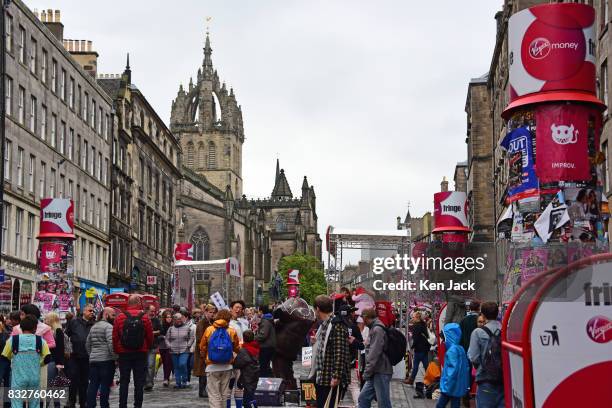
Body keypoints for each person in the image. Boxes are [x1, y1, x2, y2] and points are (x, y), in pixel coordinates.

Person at [112, 295, 154, 408]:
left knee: (124, 381)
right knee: (139, 382)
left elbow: (115, 337)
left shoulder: (120, 317)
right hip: (140, 353)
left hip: (124, 353)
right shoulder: (145, 317)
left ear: (128, 303)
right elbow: (150, 336)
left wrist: (117, 351)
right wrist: (148, 348)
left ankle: (122, 405)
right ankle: (137, 405)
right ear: (138, 303)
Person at [2, 314, 51, 408]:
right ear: (35, 328)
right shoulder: (40, 341)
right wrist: (39, 363)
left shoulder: (13, 340)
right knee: (34, 404)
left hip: (18, 379)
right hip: (34, 379)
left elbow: (4, 357)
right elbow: (48, 357)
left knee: (16, 403)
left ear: (21, 327)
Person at [310, 295, 350, 408]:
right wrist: (315, 342)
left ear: (317, 309)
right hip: (322, 377)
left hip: (330, 378)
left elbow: (340, 353)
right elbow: (325, 347)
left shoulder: (336, 325)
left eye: (314, 310)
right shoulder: (324, 325)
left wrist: (336, 376)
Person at [200, 309, 240, 408]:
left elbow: (202, 346)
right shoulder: (231, 331)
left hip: (212, 366)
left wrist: (205, 358)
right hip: (227, 366)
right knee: (224, 394)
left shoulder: (209, 329)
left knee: (214, 394)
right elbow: (237, 348)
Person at [468, 302, 504, 408]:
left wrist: (482, 366)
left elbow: (473, 357)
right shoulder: (505, 330)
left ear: (482, 315)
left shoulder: (477, 332)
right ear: (497, 313)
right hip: (503, 379)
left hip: (485, 379)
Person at [357, 308, 392, 408]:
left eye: (362, 318)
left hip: (381, 371)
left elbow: (374, 353)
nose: (362, 321)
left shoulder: (377, 329)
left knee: (383, 403)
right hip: (376, 371)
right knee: (363, 398)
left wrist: (366, 372)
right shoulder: (375, 328)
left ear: (366, 318)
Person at [85, 307, 117, 408]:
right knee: (105, 385)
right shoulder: (109, 327)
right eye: (113, 315)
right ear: (106, 315)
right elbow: (111, 344)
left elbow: (87, 344)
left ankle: (90, 405)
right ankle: (104, 405)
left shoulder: (94, 326)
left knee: (93, 385)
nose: (114, 317)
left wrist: (92, 355)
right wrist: (115, 357)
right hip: (106, 361)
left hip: (94, 361)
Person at [65, 304, 95, 408]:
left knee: (84, 381)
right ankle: (71, 402)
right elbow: (66, 336)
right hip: (74, 356)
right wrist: (67, 350)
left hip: (87, 357)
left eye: (93, 311)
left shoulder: (93, 324)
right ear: (84, 311)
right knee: (73, 379)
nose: (92, 312)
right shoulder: (74, 322)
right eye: (90, 311)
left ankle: (83, 402)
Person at [436, 323, 470, 408]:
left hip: (450, 386)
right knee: (455, 405)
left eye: (444, 338)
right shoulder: (460, 348)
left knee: (440, 405)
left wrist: (446, 386)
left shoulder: (452, 351)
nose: (443, 341)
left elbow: (452, 371)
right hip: (458, 387)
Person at [459, 301, 480, 407]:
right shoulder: (480, 320)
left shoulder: (463, 320)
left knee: (467, 372)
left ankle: (466, 392)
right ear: (478, 308)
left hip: (465, 349)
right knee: (478, 371)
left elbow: (460, 336)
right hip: (477, 350)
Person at [166, 312, 194, 389]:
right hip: (173, 350)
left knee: (182, 364)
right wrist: (169, 345)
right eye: (177, 319)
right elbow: (167, 339)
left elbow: (192, 337)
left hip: (184, 349)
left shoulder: (187, 327)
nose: (179, 320)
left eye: (180, 319)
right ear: (174, 320)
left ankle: (184, 380)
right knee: (176, 366)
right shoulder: (171, 329)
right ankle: (178, 383)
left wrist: (189, 344)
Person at [233, 330, 260, 408]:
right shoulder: (257, 347)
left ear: (244, 339)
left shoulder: (244, 350)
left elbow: (237, 364)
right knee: (251, 393)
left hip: (247, 375)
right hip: (255, 373)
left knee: (248, 397)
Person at [43, 313, 65, 408]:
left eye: (46, 318)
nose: (44, 320)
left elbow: (60, 348)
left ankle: (50, 405)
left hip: (54, 361)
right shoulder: (47, 330)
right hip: (48, 360)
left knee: (51, 386)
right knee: (52, 386)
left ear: (51, 319)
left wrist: (60, 364)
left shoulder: (58, 331)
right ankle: (55, 405)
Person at [194, 304, 216, 397]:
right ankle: (202, 390)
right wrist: (203, 349)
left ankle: (204, 390)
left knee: (207, 371)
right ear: (206, 312)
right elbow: (199, 337)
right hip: (202, 349)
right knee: (203, 371)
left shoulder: (212, 322)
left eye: (213, 312)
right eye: (210, 312)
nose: (212, 314)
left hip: (209, 349)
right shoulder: (202, 323)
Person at [405, 312, 430, 386]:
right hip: (425, 348)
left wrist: (412, 347)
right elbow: (426, 335)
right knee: (426, 366)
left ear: (417, 318)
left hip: (419, 348)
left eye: (414, 317)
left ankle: (411, 380)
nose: (413, 318)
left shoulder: (416, 326)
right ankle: (430, 381)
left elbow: (415, 338)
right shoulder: (423, 324)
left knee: (416, 365)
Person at [255, 305, 276, 378]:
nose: (257, 313)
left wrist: (254, 338)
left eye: (258, 311)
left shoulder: (265, 321)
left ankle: (263, 382)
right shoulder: (268, 319)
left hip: (265, 346)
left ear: (261, 311)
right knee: (266, 366)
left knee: (263, 366)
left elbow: (263, 335)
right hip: (269, 346)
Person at [144, 305, 162, 391]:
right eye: (151, 311)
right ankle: (145, 381)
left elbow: (160, 330)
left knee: (151, 365)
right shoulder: (143, 319)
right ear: (147, 311)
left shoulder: (156, 320)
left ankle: (149, 383)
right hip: (143, 346)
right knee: (144, 365)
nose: (153, 313)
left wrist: (151, 333)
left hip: (153, 346)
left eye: (154, 311)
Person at [159, 310, 173, 387]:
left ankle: (166, 378)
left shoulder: (173, 326)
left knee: (168, 362)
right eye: (167, 317)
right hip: (162, 346)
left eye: (170, 317)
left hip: (170, 346)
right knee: (164, 362)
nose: (169, 319)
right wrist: (163, 337)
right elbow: (158, 335)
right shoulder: (161, 325)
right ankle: (166, 377)